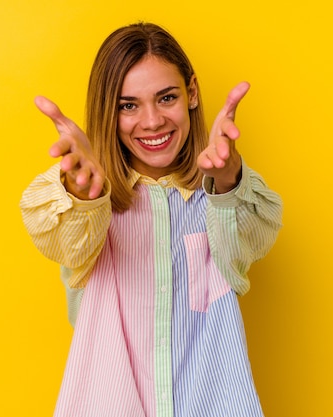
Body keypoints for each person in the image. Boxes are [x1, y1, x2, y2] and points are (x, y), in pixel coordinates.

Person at [20, 22, 283, 417]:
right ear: (109, 110)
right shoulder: (90, 200)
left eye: (166, 97)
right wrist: (83, 197)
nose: (153, 121)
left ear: (191, 93)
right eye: (129, 105)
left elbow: (252, 240)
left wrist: (228, 181)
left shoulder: (217, 201)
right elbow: (65, 240)